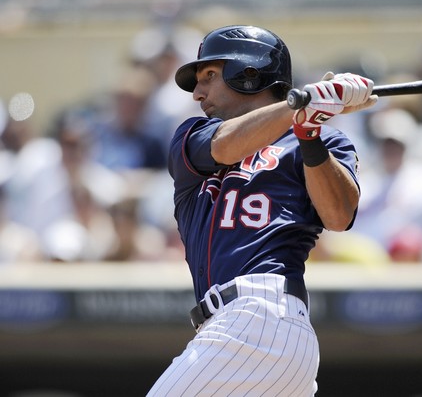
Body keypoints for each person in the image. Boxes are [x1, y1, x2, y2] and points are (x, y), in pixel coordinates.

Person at [147, 25, 377, 396]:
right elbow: (225, 147)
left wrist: (309, 132)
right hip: (237, 329)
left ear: (249, 74)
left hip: (262, 315)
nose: (197, 93)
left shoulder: (324, 139)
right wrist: (302, 106)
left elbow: (338, 216)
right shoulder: (192, 135)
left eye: (209, 76)